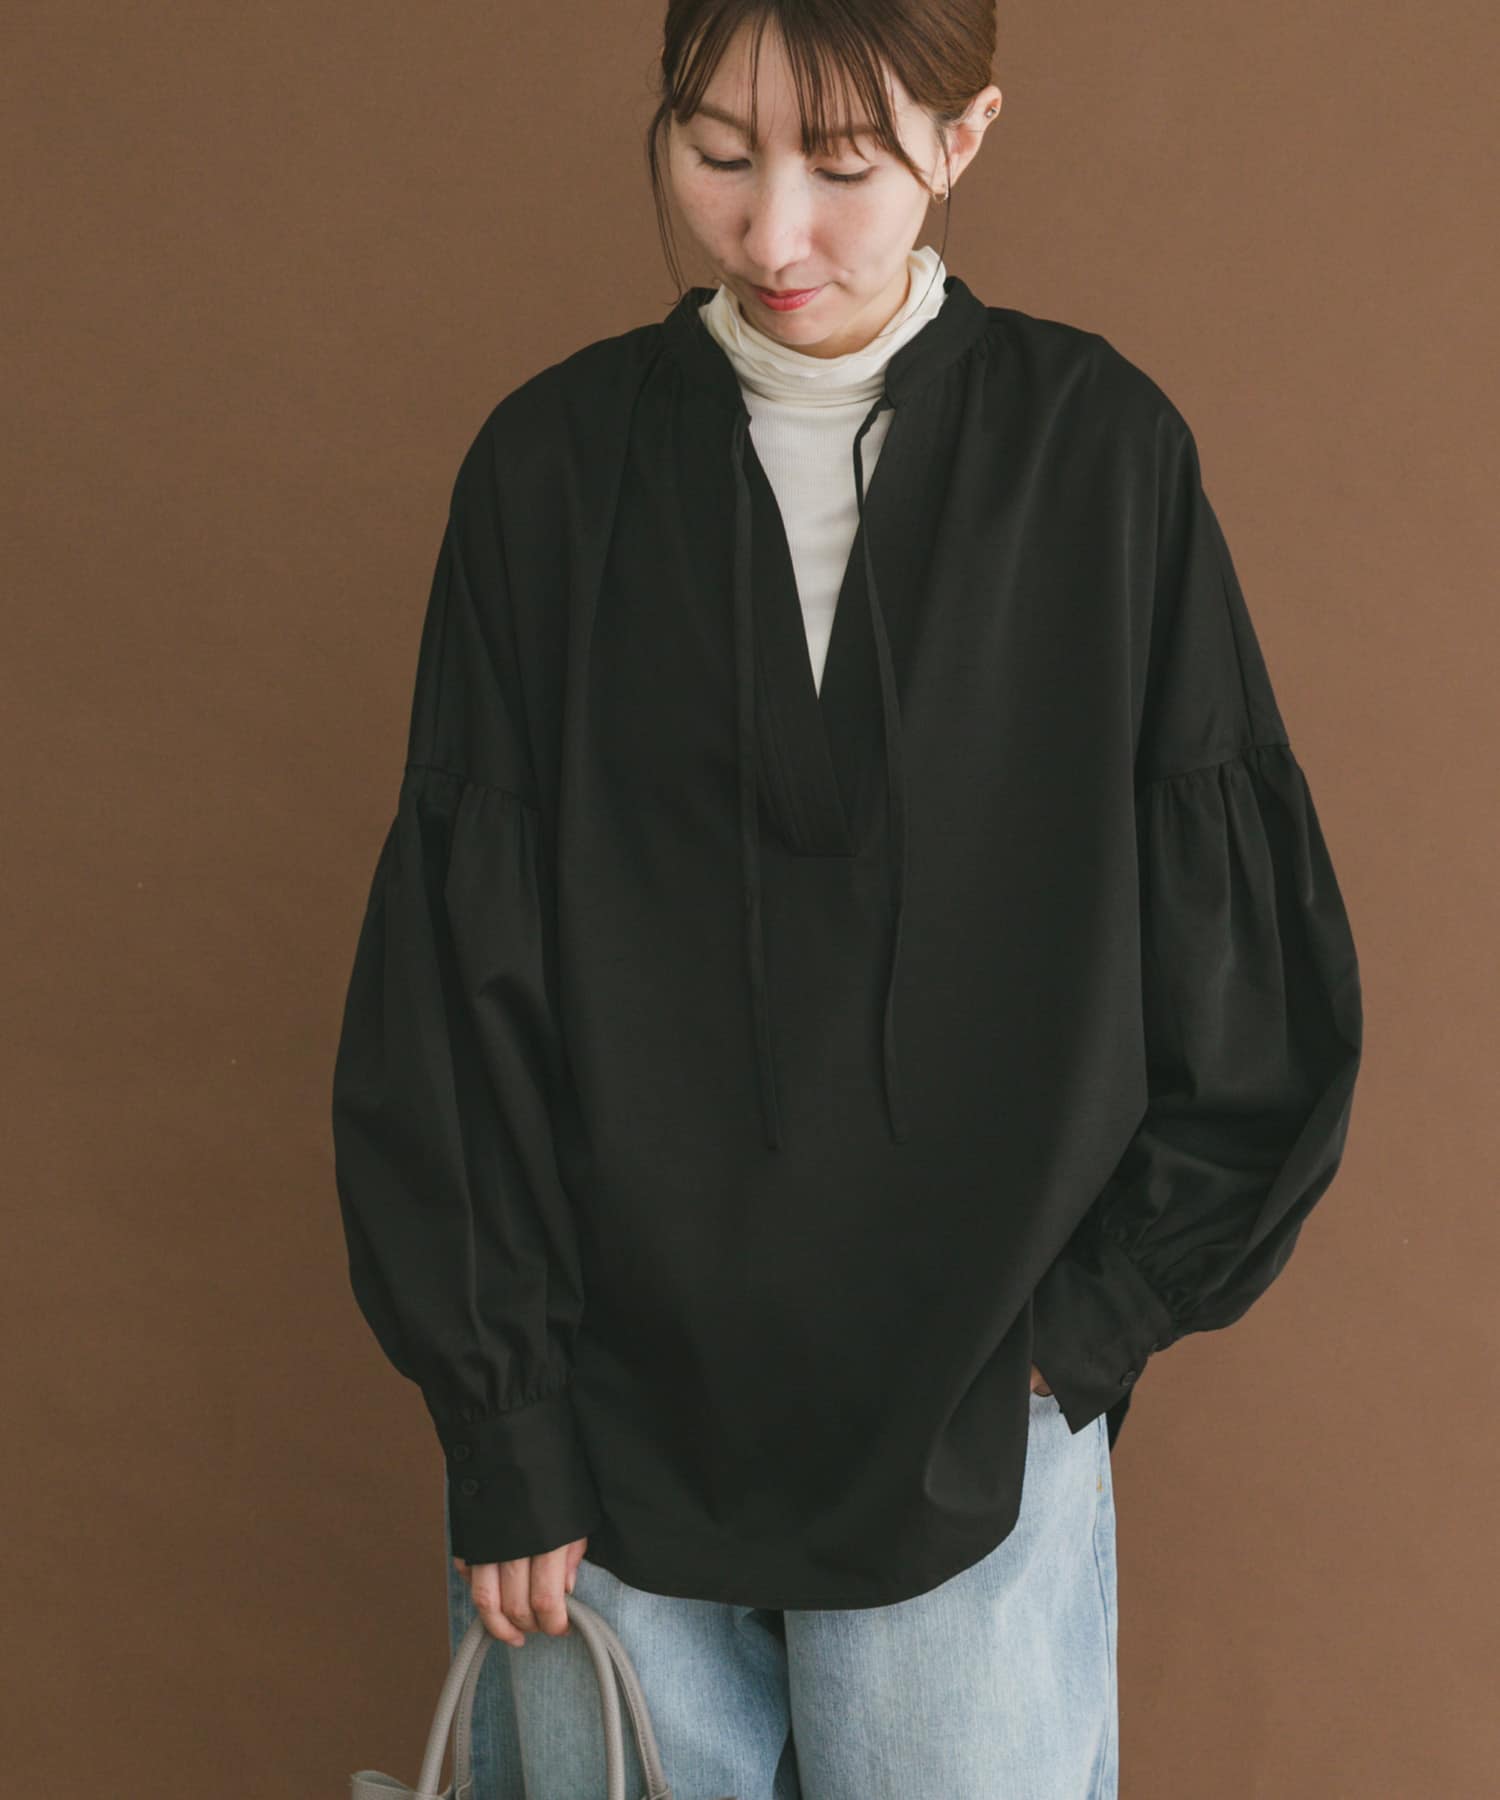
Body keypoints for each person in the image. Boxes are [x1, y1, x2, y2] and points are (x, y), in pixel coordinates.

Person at [330, 3, 1363, 1795]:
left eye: (844, 163)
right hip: (605, 1449)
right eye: (718, 155)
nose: (772, 231)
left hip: (977, 1434)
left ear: (965, 138)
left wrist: (1086, 1333)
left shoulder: (1098, 458)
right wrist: (504, 1419)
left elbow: (1244, 968)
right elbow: (454, 971)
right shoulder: (549, 472)